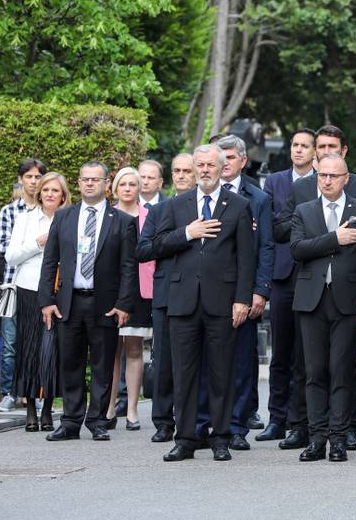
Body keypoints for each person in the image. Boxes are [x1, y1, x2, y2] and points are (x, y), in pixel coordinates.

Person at [272, 124, 356, 451]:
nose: (327, 180)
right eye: (323, 175)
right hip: (310, 301)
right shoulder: (304, 210)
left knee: (341, 371)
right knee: (314, 371)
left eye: (334, 176)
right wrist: (335, 239)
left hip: (347, 301)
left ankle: (339, 437)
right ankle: (316, 438)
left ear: (346, 178)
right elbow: (297, 249)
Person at [153, 144, 256, 462]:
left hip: (222, 303)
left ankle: (221, 437)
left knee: (221, 372)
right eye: (200, 165)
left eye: (211, 165)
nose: (205, 170)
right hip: (183, 302)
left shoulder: (238, 205)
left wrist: (242, 299)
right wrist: (187, 232)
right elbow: (155, 245)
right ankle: (184, 438)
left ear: (222, 167)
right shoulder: (177, 204)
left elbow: (246, 258)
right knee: (183, 373)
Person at [38, 161, 137, 442]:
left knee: (103, 365)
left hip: (104, 303)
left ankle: (97, 421)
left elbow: (129, 266)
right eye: (85, 179)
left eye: (96, 179)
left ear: (107, 184)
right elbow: (50, 261)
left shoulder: (123, 222)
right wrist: (47, 300)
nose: (90, 184)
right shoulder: (64, 217)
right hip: (69, 302)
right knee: (70, 363)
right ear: (79, 183)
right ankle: (70, 421)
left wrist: (124, 304)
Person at [196, 135, 274, 452]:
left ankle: (238, 425)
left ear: (242, 160)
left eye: (229, 157)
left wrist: (260, 291)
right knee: (203, 363)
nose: (224, 162)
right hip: (203, 292)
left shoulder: (257, 198)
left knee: (242, 363)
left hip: (242, 291)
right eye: (220, 157)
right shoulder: (195, 195)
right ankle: (202, 424)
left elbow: (265, 247)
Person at [259, 128, 316, 443]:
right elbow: (272, 229)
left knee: (305, 355)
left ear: (314, 152)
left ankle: (301, 420)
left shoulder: (325, 180)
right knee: (280, 352)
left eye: (304, 146)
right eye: (294, 145)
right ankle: (276, 418)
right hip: (283, 276)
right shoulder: (276, 181)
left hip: (312, 274)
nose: (298, 150)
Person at [136, 153, 196, 443]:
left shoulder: (209, 210)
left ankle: (196, 420)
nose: (182, 175)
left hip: (201, 294)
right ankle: (162, 421)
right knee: (163, 362)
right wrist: (184, 235)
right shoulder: (160, 210)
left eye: (187, 170)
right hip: (166, 295)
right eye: (177, 170)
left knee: (196, 362)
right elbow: (144, 249)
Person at [5, 172, 70, 431]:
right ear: (39, 193)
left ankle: (47, 409)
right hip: (29, 289)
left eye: (55, 190)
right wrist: (37, 243)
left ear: (63, 195)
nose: (50, 194)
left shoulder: (68, 220)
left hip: (59, 291)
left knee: (51, 351)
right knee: (28, 350)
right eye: (46, 190)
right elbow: (11, 256)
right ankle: (30, 407)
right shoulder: (26, 219)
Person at [0, 158, 47, 413]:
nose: (34, 182)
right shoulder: (10, 212)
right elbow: (6, 249)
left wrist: (26, 249)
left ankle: (33, 392)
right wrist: (35, 245)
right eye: (29, 177)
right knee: (10, 341)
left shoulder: (51, 211)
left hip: (39, 286)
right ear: (21, 180)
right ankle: (8, 392)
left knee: (35, 342)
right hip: (13, 285)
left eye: (38, 177)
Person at [106, 168, 154, 431]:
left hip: (139, 289)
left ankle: (133, 410)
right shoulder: (107, 215)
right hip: (110, 289)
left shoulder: (150, 215)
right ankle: (110, 407)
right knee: (111, 351)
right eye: (122, 184)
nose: (127, 188)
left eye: (132, 183)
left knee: (134, 348)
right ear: (115, 188)